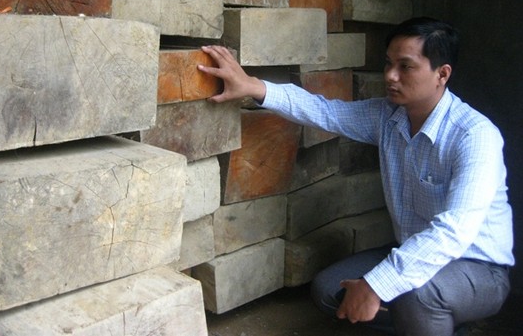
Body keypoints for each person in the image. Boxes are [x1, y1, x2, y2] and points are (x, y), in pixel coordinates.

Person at [198, 17, 514, 336]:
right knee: (330, 290)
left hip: (478, 269)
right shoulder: (388, 116)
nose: (390, 76)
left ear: (442, 74)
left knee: (417, 295)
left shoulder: (474, 136)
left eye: (406, 66)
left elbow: (454, 231)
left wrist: (377, 286)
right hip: (412, 251)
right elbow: (326, 112)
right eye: (389, 63)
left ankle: (427, 316)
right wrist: (254, 86)